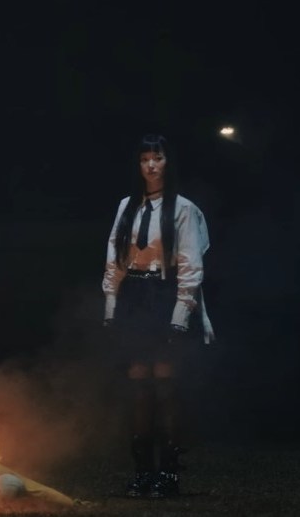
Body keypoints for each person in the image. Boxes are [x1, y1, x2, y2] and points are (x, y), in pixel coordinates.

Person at [101, 133, 214, 499]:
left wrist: (180, 314)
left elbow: (190, 264)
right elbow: (115, 257)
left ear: (168, 162)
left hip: (164, 294)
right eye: (144, 159)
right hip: (134, 295)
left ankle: (167, 472)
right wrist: (111, 305)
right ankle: (143, 471)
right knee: (138, 387)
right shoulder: (127, 206)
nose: (151, 165)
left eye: (157, 158)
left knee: (165, 386)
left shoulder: (182, 208)